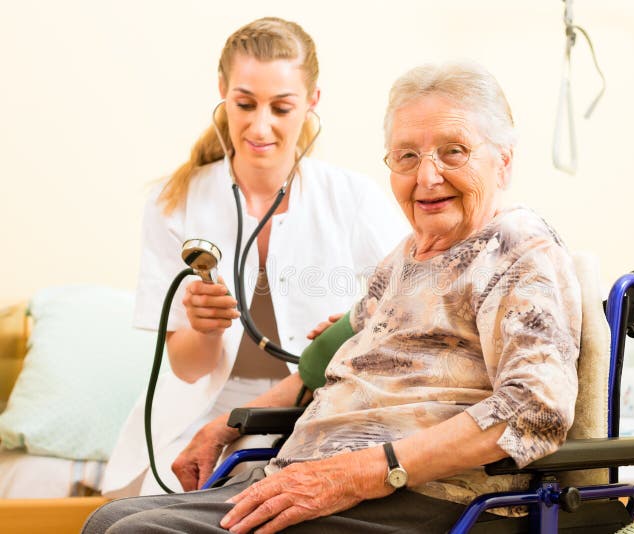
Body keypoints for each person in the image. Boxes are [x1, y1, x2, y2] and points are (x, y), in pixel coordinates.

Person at [86, 60, 581, 533]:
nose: (426, 177)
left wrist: (364, 471)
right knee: (109, 521)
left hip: (425, 496)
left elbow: (534, 408)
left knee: (140, 531)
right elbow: (332, 361)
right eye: (407, 156)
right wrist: (222, 426)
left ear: (504, 162)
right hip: (316, 478)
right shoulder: (403, 258)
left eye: (453, 151)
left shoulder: (518, 247)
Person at [101, 17, 408, 498]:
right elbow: (187, 367)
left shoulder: (355, 199)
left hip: (317, 404)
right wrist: (202, 328)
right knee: (152, 510)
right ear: (222, 91)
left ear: (312, 102)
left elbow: (409, 314)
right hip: (203, 408)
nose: (260, 125)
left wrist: (352, 329)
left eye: (281, 107)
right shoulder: (173, 202)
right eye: (244, 104)